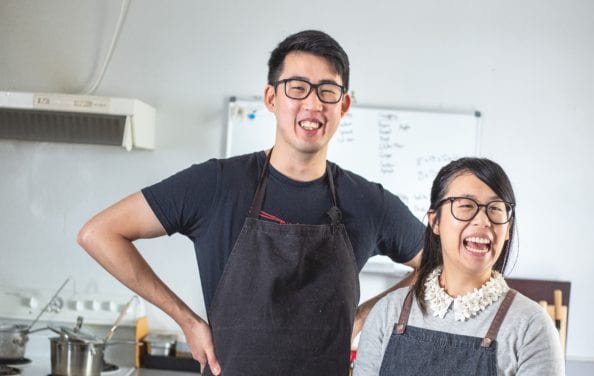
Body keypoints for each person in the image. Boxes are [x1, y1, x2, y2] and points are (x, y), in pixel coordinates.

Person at [77, 30, 425, 376]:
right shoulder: (216, 185)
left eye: (328, 91)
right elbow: (99, 233)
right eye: (297, 87)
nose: (313, 104)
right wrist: (187, 320)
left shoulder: (367, 202)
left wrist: (366, 315)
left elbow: (439, 263)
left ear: (343, 106)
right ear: (271, 98)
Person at [353, 157, 565, 376]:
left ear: (508, 228)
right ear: (435, 222)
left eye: (495, 209)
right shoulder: (388, 313)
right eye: (466, 206)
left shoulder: (532, 326)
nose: (483, 221)